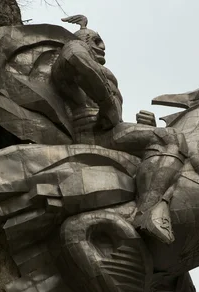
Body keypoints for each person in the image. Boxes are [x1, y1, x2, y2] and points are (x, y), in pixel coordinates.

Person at [51, 15, 186, 244]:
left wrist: (142, 127)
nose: (101, 46)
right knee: (169, 137)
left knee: (161, 138)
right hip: (93, 134)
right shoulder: (72, 52)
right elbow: (75, 57)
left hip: (108, 131)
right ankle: (148, 212)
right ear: (83, 40)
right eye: (95, 40)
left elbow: (114, 118)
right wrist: (106, 105)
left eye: (101, 41)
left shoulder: (94, 66)